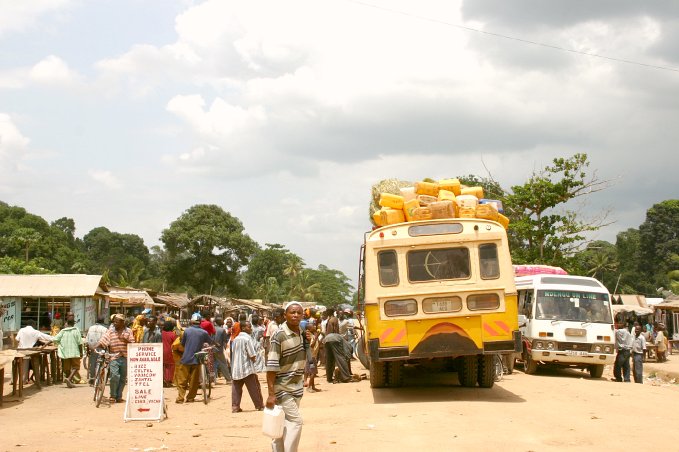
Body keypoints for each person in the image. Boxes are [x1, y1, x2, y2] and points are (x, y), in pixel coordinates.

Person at [266, 301, 309, 452]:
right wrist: (271, 393)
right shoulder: (279, 336)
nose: (296, 315)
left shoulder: (302, 333)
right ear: (285, 315)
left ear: (303, 315)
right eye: (292, 312)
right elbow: (271, 368)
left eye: (299, 313)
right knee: (296, 422)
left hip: (296, 387)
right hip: (282, 387)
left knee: (282, 424)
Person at [97, 313, 135, 403]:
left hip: (125, 357)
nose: (114, 323)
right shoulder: (110, 331)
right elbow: (103, 340)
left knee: (122, 378)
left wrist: (127, 340)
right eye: (114, 322)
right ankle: (113, 395)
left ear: (122, 323)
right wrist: (95, 346)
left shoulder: (128, 331)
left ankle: (119, 396)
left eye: (117, 322)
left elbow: (133, 343)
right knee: (114, 376)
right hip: (114, 357)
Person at [176, 314, 213, 403]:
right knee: (194, 381)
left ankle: (180, 398)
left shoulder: (187, 331)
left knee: (182, 380)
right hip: (197, 359)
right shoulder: (204, 332)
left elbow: (183, 343)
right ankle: (190, 398)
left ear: (192, 322)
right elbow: (210, 341)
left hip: (186, 358)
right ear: (200, 322)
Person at [231, 321, 264, 413]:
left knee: (236, 389)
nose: (251, 329)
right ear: (244, 328)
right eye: (249, 327)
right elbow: (252, 354)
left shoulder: (236, 339)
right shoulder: (247, 339)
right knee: (254, 388)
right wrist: (254, 361)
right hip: (247, 368)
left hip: (236, 368)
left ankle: (235, 407)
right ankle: (259, 405)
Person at [51, 317, 84, 387]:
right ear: (73, 323)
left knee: (67, 368)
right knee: (76, 367)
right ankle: (69, 379)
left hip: (65, 353)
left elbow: (55, 339)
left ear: (67, 323)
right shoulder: (76, 330)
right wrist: (81, 352)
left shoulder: (63, 331)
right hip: (75, 352)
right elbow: (80, 342)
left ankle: (69, 381)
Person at [86, 317, 108, 384]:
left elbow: (87, 339)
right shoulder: (105, 329)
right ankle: (99, 378)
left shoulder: (90, 328)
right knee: (101, 363)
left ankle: (92, 377)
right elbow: (106, 340)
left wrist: (88, 349)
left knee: (92, 363)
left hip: (92, 348)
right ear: (103, 321)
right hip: (101, 348)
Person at [612, 317, 632, 383]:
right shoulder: (627, 331)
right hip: (628, 350)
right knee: (626, 365)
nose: (617, 325)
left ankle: (618, 378)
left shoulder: (618, 332)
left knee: (618, 365)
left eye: (618, 323)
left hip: (622, 350)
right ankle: (627, 379)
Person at [213, 317, 231, 383]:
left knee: (213, 365)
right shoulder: (222, 330)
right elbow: (225, 340)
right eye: (221, 320)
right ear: (219, 322)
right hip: (219, 349)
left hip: (211, 349)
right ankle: (228, 379)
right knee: (223, 364)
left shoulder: (213, 328)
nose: (223, 321)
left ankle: (213, 380)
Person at [161, 319, 178, 387]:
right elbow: (176, 343)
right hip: (169, 352)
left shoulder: (161, 333)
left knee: (163, 366)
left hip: (161, 350)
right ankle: (168, 380)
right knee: (170, 366)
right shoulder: (172, 334)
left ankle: (163, 380)